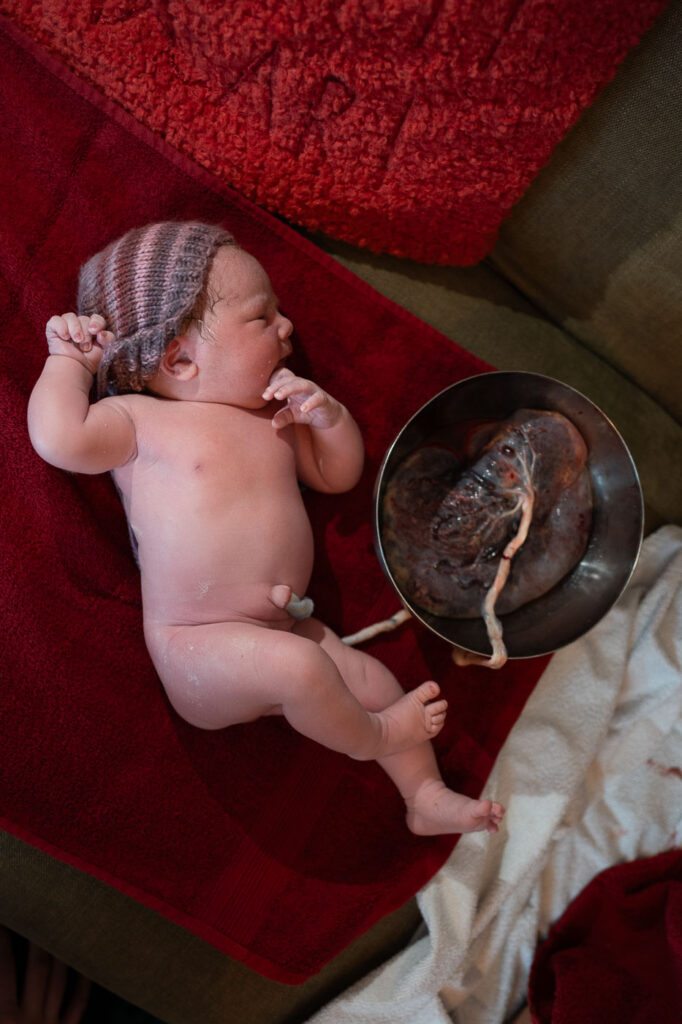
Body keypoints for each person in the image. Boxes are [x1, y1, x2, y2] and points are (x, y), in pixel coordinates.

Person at [27, 221, 504, 836]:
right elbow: (58, 438)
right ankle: (376, 738)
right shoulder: (138, 422)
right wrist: (68, 363)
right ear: (179, 358)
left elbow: (337, 475)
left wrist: (326, 418)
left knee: (369, 677)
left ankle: (424, 795)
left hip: (289, 625)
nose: (287, 328)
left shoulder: (274, 416)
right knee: (302, 671)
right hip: (198, 643)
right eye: (261, 318)